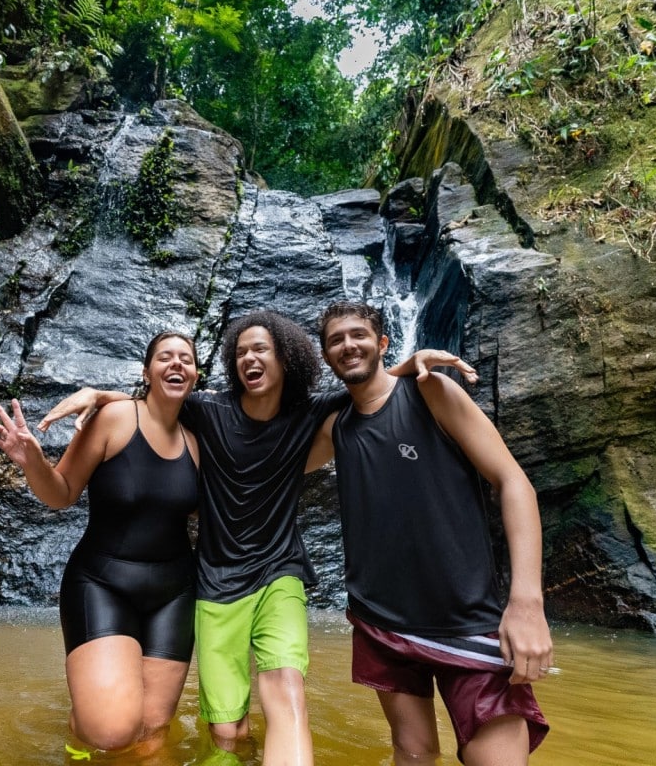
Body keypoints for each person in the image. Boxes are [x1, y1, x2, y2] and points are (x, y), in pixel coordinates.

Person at [38, 310, 476, 766]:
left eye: (260, 349)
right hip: (214, 582)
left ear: (287, 358)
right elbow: (158, 398)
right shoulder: (206, 411)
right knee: (227, 731)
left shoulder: (312, 411)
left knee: (287, 690)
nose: (250, 357)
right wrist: (97, 393)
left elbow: (367, 383)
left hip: (279, 572)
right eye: (241, 350)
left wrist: (409, 362)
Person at [307, 301, 551, 766]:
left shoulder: (429, 390)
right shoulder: (335, 425)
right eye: (335, 340)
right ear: (325, 357)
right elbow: (259, 457)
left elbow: (513, 482)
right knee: (413, 753)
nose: (347, 345)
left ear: (382, 343)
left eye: (358, 334)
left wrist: (527, 603)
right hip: (382, 621)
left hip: (467, 617)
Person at [0, 331, 201, 757]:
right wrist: (33, 461)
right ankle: (84, 719)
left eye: (186, 359)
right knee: (111, 732)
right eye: (165, 358)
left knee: (151, 734)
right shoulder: (115, 419)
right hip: (103, 584)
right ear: (146, 371)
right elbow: (61, 493)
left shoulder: (201, 435)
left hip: (174, 592)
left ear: (196, 375)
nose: (176, 364)